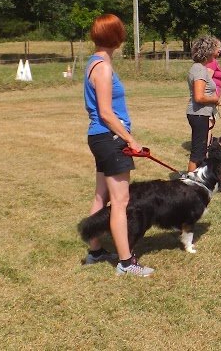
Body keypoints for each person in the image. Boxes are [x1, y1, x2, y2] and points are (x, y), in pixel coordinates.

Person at [83, 14, 154, 276]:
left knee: (101, 195)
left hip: (101, 138)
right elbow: (106, 112)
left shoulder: (94, 62)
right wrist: (130, 139)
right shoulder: (102, 67)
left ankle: (95, 250)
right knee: (120, 201)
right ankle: (126, 262)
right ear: (117, 37)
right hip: (109, 138)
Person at [187, 35, 221, 173]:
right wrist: (215, 99)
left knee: (200, 151)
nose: (217, 51)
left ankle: (195, 180)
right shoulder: (200, 70)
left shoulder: (198, 67)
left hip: (200, 114)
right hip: (199, 114)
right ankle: (189, 182)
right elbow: (199, 97)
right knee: (198, 153)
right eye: (215, 48)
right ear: (208, 51)